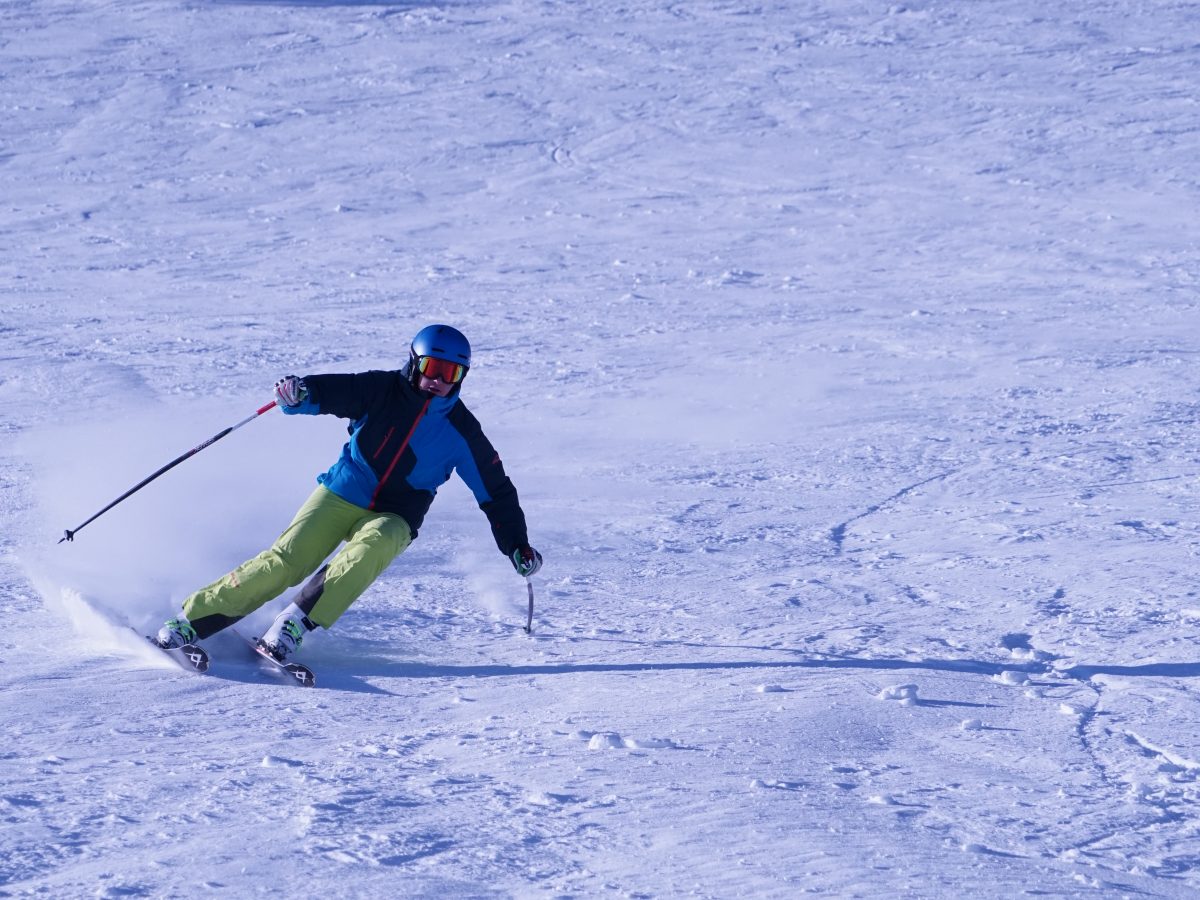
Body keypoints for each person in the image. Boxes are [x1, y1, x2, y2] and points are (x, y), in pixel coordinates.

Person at [154, 324, 542, 662]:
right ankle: (191, 621)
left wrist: (517, 545)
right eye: (432, 368)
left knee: (369, 551)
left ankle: (292, 626)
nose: (438, 380)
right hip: (343, 491)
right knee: (288, 561)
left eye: (451, 372)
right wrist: (300, 393)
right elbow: (333, 392)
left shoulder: (463, 431)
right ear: (414, 363)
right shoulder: (381, 389)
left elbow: (496, 492)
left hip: (397, 515)